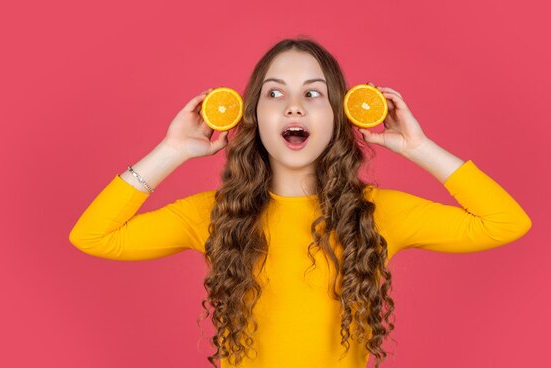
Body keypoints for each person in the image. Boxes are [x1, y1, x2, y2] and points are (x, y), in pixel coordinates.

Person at [68, 37, 532, 368]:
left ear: (338, 115)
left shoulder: (375, 214)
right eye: (275, 94)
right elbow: (93, 236)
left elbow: (504, 222)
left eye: (313, 94)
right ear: (254, 116)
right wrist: (172, 151)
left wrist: (418, 148)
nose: (294, 107)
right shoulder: (215, 215)